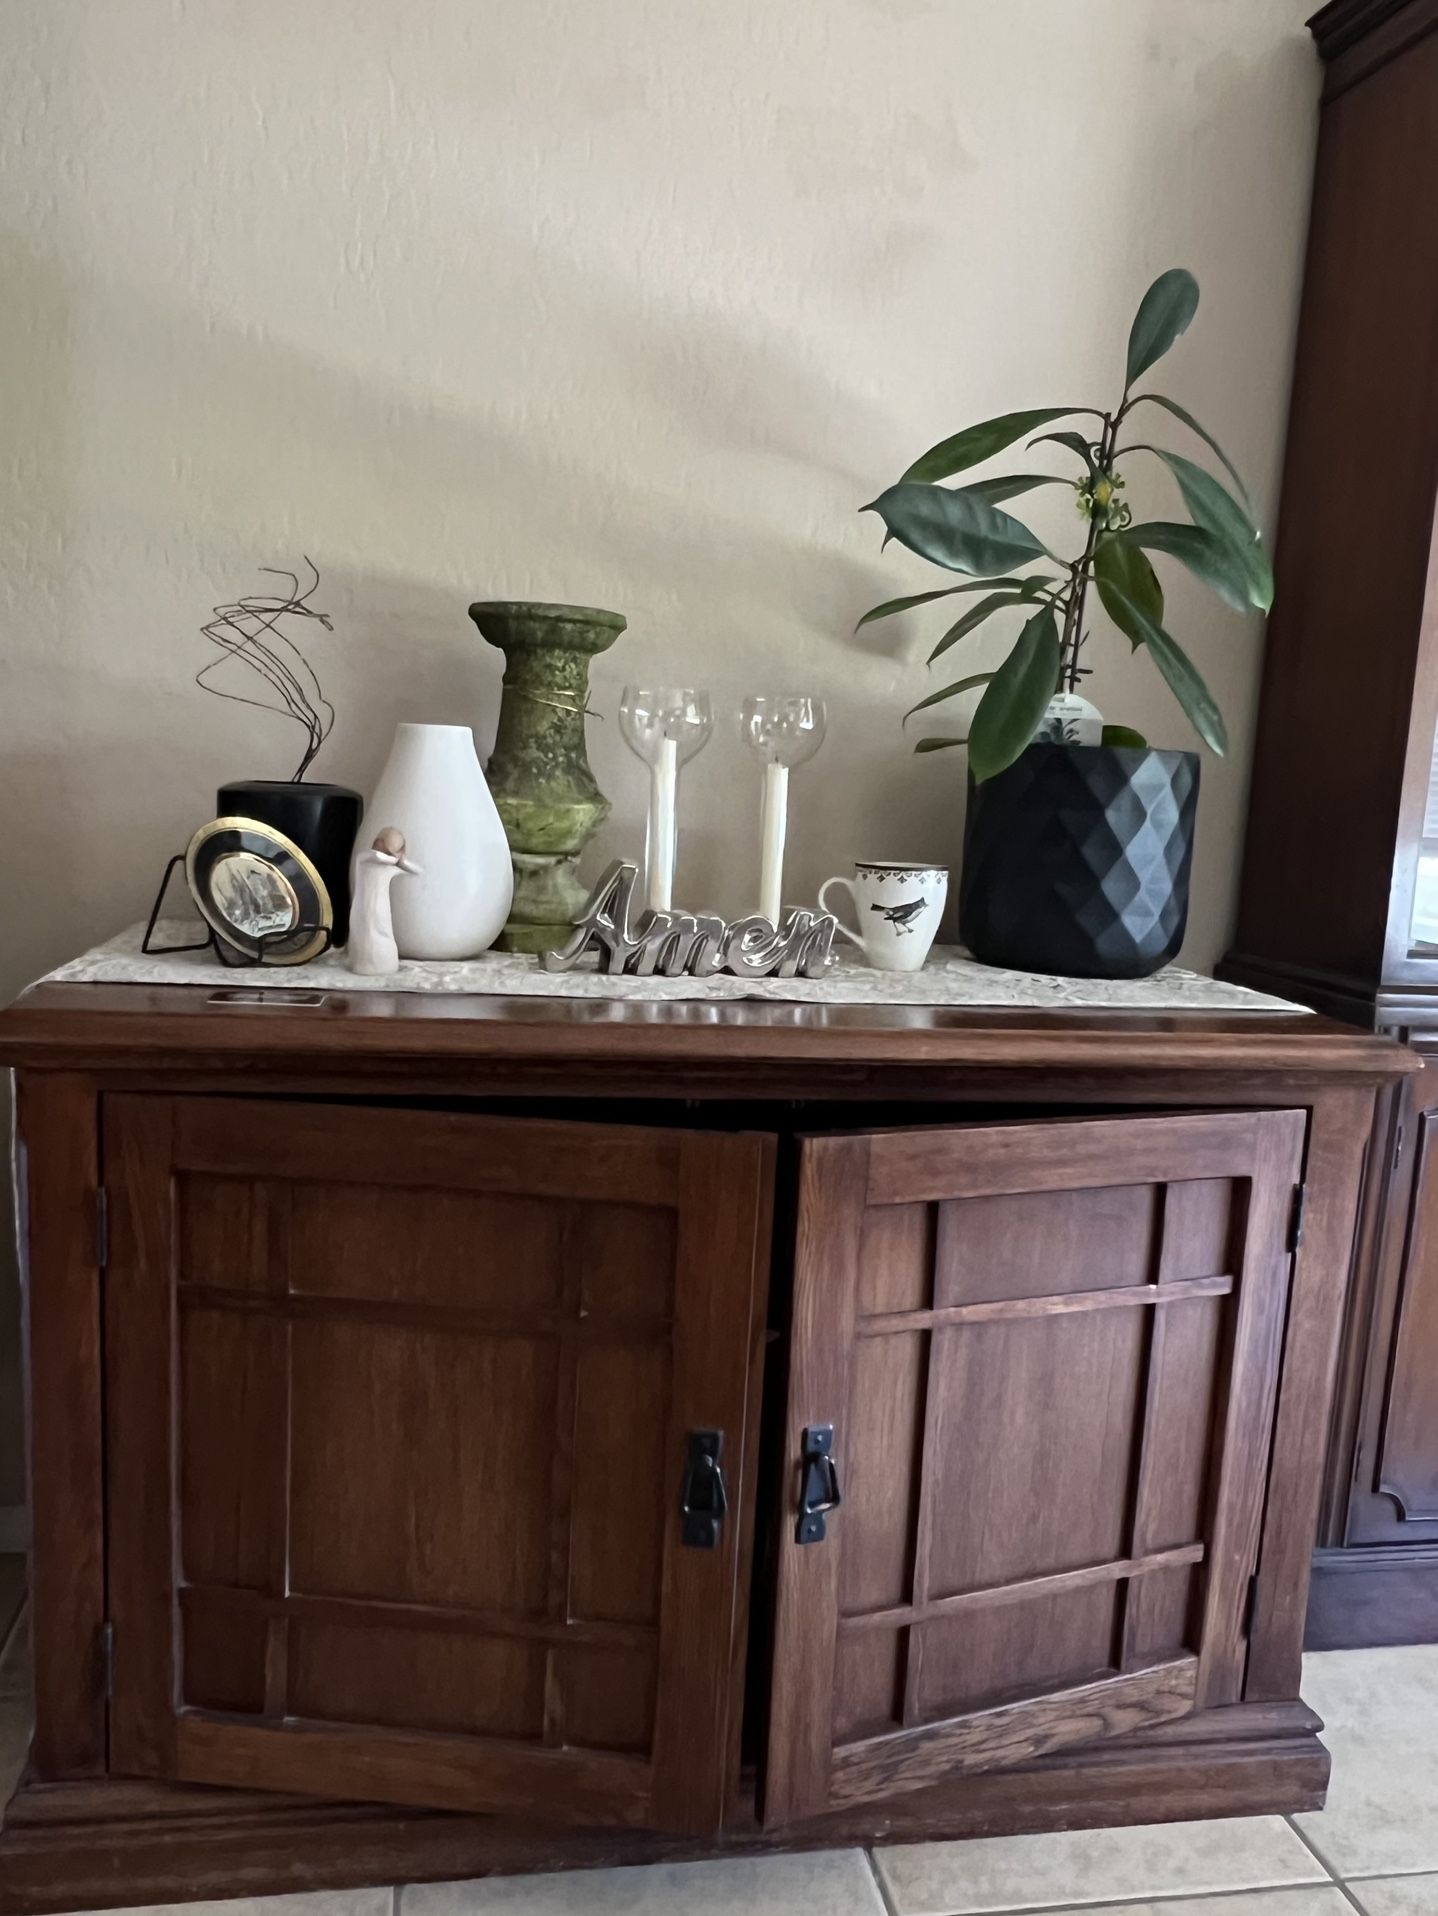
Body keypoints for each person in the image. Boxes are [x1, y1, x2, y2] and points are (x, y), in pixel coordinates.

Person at [347, 827, 421, 975]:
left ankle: (384, 965)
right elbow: (377, 856)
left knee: (381, 934)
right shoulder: (365, 858)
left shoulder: (389, 866)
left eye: (395, 848)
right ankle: (362, 964)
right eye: (386, 847)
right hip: (362, 909)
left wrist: (403, 860)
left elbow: (417, 871)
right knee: (363, 934)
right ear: (377, 842)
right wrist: (395, 857)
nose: (388, 852)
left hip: (380, 910)